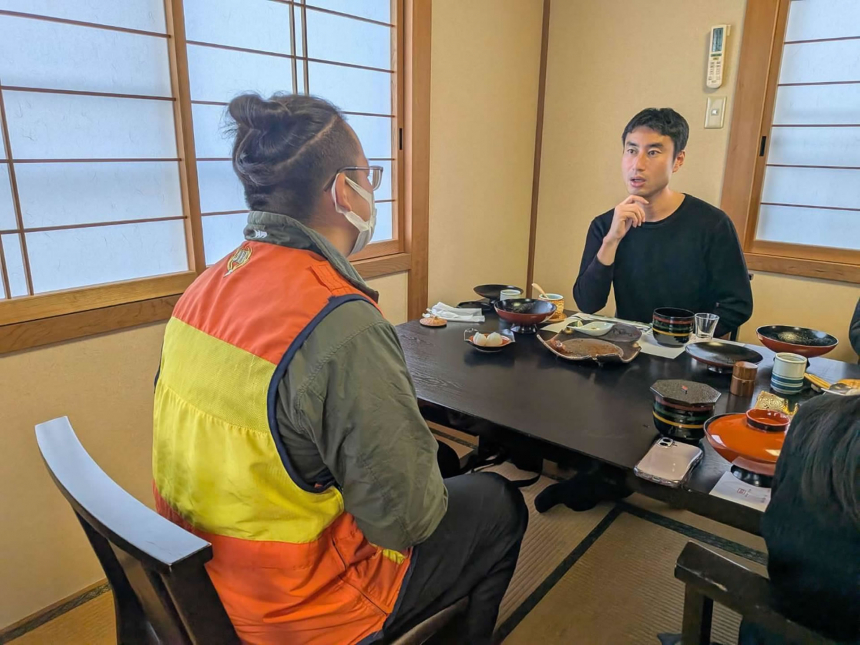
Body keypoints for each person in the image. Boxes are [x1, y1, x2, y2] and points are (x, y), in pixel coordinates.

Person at [151, 93, 527, 645]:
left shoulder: (205, 288)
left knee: (440, 463)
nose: (372, 190)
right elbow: (406, 523)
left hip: (200, 581)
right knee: (498, 502)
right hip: (299, 607)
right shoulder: (338, 321)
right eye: (368, 176)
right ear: (342, 190)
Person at [573, 108, 753, 338]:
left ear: (678, 160)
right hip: (629, 348)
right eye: (631, 150)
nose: (637, 164)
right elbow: (587, 304)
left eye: (653, 152)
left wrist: (682, 335)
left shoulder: (712, 224)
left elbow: (738, 305)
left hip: (688, 348)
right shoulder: (606, 225)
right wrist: (611, 241)